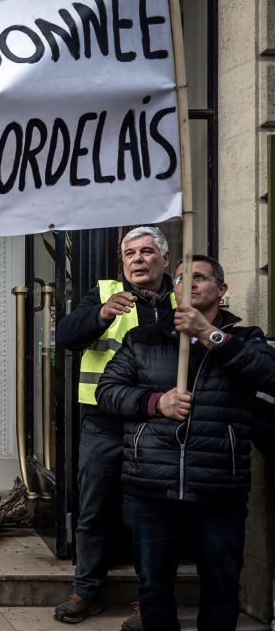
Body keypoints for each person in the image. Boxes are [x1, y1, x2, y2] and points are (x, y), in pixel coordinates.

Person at [96, 255, 275, 631]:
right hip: (151, 485)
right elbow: (108, 392)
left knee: (221, 585)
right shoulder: (142, 339)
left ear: (221, 290)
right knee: (153, 586)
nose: (188, 285)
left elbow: (267, 374)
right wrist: (155, 402)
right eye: (180, 279)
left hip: (217, 486)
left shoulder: (245, 339)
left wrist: (210, 335)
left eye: (200, 278)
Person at [53, 226, 175, 627]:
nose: (138, 260)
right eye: (130, 254)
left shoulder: (180, 301)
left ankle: (150, 600)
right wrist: (102, 314)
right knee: (94, 507)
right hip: (103, 422)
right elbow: (67, 336)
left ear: (165, 259)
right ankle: (86, 591)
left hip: (156, 425)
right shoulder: (104, 293)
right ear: (122, 262)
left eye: (146, 252)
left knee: (150, 516)